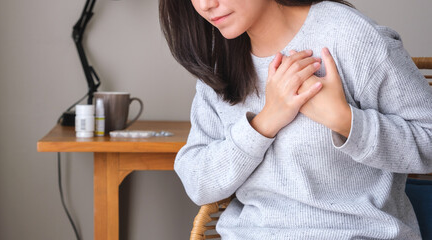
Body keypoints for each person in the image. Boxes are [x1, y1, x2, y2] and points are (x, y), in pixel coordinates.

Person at [159, 0, 432, 239]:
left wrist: (345, 120)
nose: (205, 4)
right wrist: (264, 123)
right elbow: (198, 184)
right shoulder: (219, 61)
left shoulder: (349, 37)